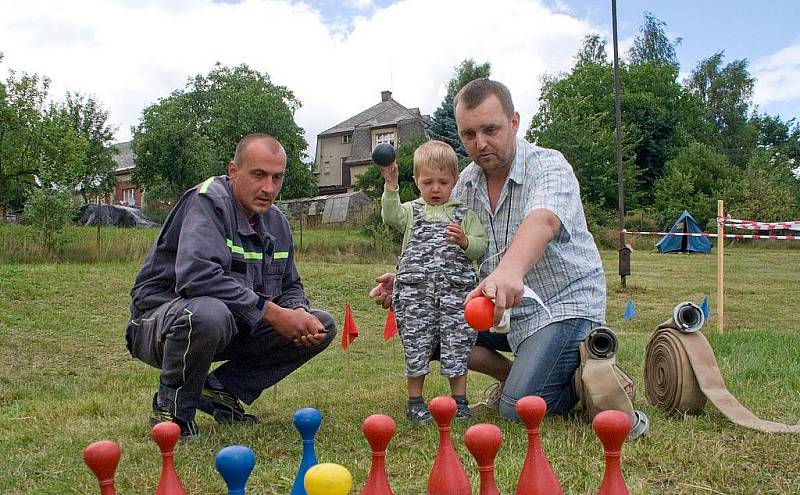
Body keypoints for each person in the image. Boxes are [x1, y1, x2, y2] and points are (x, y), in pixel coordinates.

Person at [370, 78, 607, 422]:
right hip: (499, 312)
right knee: (429, 324)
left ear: (514, 122)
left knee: (517, 411)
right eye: (468, 134)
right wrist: (411, 280)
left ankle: (581, 365)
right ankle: (524, 377)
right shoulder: (463, 183)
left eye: (491, 129)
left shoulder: (549, 166)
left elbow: (543, 222)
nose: (480, 143)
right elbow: (448, 245)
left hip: (561, 308)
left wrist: (511, 270)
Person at [126, 133, 336, 439]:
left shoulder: (276, 222)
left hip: (231, 324)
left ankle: (220, 390)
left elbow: (290, 285)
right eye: (258, 175)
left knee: (322, 325)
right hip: (161, 323)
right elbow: (197, 277)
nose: (268, 188)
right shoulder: (207, 201)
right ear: (234, 171)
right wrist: (275, 315)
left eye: (277, 178)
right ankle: (172, 411)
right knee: (208, 313)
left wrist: (297, 311)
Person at [379, 140, 488, 425]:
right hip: (415, 296)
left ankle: (460, 402)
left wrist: (465, 241)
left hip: (455, 295)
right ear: (416, 181)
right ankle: (415, 402)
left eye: (443, 181)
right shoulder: (411, 212)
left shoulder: (465, 215)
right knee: (416, 344)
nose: (435, 189)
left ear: (454, 180)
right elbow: (390, 216)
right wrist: (391, 184)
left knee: (457, 344)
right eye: (428, 182)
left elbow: (481, 247)